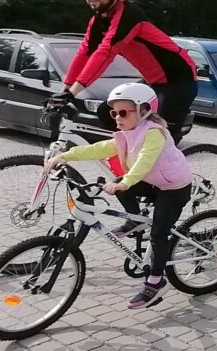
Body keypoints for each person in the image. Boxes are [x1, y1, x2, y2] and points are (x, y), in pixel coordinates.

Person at [44, 83, 194, 309]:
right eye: (114, 113)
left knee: (159, 233)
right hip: (153, 182)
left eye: (123, 112)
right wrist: (65, 156)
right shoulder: (127, 134)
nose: (117, 118)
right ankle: (135, 219)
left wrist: (126, 182)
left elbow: (144, 162)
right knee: (117, 183)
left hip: (174, 187)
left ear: (144, 110)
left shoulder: (154, 133)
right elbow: (99, 148)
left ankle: (156, 281)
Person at [53, 0, 198, 145]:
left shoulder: (129, 15)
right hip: (153, 81)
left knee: (161, 141)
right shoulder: (98, 21)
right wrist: (65, 90)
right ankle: (131, 158)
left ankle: (166, 169)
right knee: (107, 113)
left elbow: (105, 53)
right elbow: (84, 54)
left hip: (179, 80)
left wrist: (73, 92)